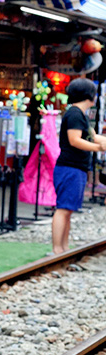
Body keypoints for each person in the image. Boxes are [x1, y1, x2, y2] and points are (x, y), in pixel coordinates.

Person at [51, 78, 106, 254]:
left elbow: (93, 136)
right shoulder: (74, 114)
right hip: (69, 167)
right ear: (89, 95)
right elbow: (75, 140)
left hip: (76, 168)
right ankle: (57, 249)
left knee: (69, 210)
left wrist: (100, 143)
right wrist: (98, 148)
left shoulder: (80, 114)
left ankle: (64, 249)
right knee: (63, 209)